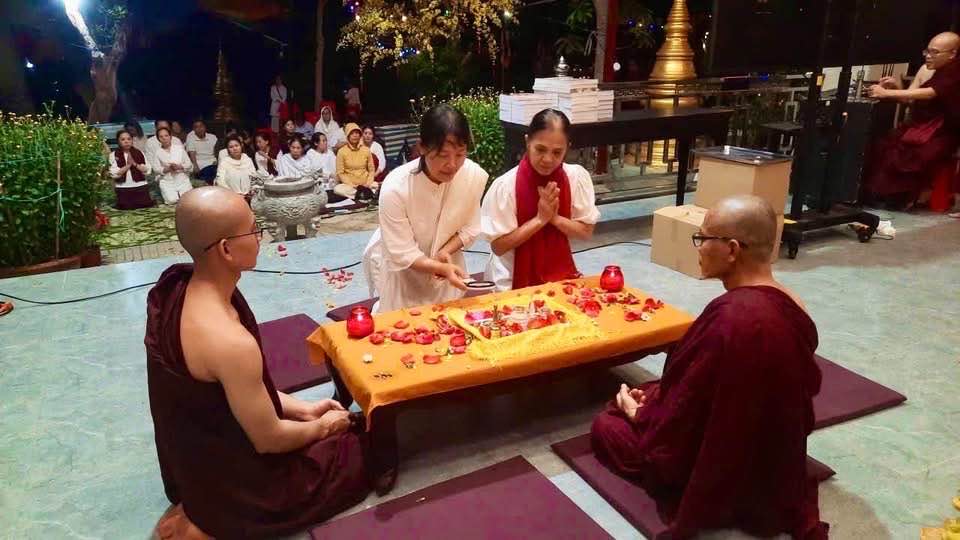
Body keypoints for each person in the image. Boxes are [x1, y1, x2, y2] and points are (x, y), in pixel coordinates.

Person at [590, 194, 826, 540]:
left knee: (607, 426)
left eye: (702, 238)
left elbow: (685, 418)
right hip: (774, 455)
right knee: (655, 391)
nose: (698, 247)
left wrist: (639, 414)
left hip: (723, 462)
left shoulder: (731, 318)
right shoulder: (793, 303)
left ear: (731, 250)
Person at [146, 187, 370, 539]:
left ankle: (201, 508)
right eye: (253, 230)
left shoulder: (177, 288)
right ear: (226, 249)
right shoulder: (228, 340)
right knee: (361, 450)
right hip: (239, 484)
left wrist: (306, 409)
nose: (259, 237)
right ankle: (211, 521)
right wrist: (325, 427)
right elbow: (270, 440)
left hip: (193, 466)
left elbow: (225, 397)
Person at [361, 105, 488, 312]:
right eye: (443, 155)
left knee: (449, 325)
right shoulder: (396, 187)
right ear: (422, 147)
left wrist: (445, 251)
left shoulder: (473, 176)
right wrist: (439, 267)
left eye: (460, 154)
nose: (452, 164)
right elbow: (402, 252)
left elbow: (470, 228)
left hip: (448, 283)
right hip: (405, 283)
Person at [481, 109, 599, 291]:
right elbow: (498, 246)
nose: (548, 159)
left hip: (560, 277)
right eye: (540, 149)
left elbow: (586, 231)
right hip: (510, 280)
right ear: (527, 142)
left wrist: (555, 219)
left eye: (557, 152)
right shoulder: (505, 186)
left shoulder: (576, 177)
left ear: (567, 147)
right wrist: (539, 220)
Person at [864, 32, 960, 209]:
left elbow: (931, 93)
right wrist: (896, 87)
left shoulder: (956, 71)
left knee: (916, 155)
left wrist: (887, 93)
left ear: (952, 54)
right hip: (917, 126)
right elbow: (908, 99)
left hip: (941, 131)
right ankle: (876, 195)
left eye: (934, 52)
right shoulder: (926, 68)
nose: (928, 56)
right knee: (884, 145)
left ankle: (901, 198)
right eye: (927, 51)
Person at [109, 129, 154, 210]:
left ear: (132, 140)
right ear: (118, 141)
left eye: (129, 139)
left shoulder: (139, 153)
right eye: (123, 139)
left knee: (144, 206)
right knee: (126, 207)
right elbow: (114, 174)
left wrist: (135, 164)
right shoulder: (113, 155)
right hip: (123, 187)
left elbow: (147, 170)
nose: (126, 141)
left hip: (140, 186)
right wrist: (128, 165)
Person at [151, 127, 194, 204]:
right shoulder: (158, 152)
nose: (164, 138)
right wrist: (167, 169)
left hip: (182, 179)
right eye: (161, 136)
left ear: (170, 136)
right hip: (167, 181)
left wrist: (179, 166)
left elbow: (189, 164)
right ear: (158, 139)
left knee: (188, 200)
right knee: (172, 200)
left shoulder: (179, 148)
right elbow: (156, 169)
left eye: (166, 135)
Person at [334, 123, 376, 200]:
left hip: (366, 183)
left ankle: (363, 193)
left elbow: (371, 170)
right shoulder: (341, 151)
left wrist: (368, 183)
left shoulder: (366, 150)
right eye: (352, 133)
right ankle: (361, 194)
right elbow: (340, 173)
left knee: (376, 185)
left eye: (357, 133)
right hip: (350, 186)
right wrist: (352, 185)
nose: (355, 135)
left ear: (360, 135)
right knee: (337, 189)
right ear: (347, 136)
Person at [185, 119, 219, 185]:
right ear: (194, 129)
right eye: (196, 127)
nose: (199, 129)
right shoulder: (191, 138)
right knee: (208, 174)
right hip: (200, 163)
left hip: (212, 161)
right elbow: (192, 153)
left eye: (201, 126)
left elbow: (217, 150)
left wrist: (217, 160)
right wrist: (195, 166)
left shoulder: (212, 137)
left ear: (205, 127)